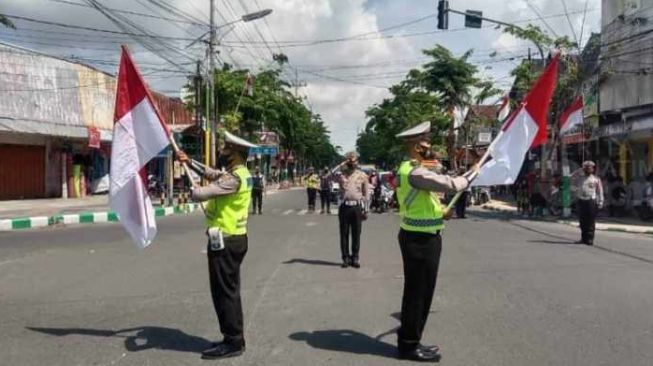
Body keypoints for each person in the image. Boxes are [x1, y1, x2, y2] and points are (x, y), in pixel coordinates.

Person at [394, 122, 479, 362]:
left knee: (419, 292)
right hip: (420, 240)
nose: (428, 146)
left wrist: (440, 209)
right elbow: (453, 184)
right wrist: (473, 171)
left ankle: (412, 339)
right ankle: (409, 345)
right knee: (418, 294)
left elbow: (424, 199)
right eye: (424, 143)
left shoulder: (411, 168)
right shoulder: (415, 172)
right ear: (414, 145)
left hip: (421, 235)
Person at [176, 131, 258, 360]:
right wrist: (189, 162)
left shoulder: (234, 178)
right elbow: (214, 175)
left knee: (224, 293)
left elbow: (201, 193)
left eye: (225, 149)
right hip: (234, 238)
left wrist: (191, 188)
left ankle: (233, 342)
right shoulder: (239, 173)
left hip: (226, 241)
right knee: (229, 291)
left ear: (235, 153)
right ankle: (233, 337)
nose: (222, 151)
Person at [335, 152, 369, 268]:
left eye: (354, 161)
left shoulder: (362, 175)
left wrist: (366, 210)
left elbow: (366, 193)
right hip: (344, 207)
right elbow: (328, 175)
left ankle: (355, 257)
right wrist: (342, 164)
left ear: (357, 162)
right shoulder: (341, 175)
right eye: (350, 161)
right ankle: (345, 258)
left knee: (356, 234)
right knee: (344, 234)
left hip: (357, 207)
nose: (352, 163)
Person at [573, 161, 604, 245]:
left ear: (593, 169)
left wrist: (600, 202)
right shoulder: (579, 178)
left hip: (591, 201)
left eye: (590, 167)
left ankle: (590, 239)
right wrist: (578, 170)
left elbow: (600, 191)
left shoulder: (596, 179)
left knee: (590, 221)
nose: (588, 169)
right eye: (586, 167)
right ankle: (583, 238)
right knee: (582, 221)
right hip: (581, 201)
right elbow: (569, 178)